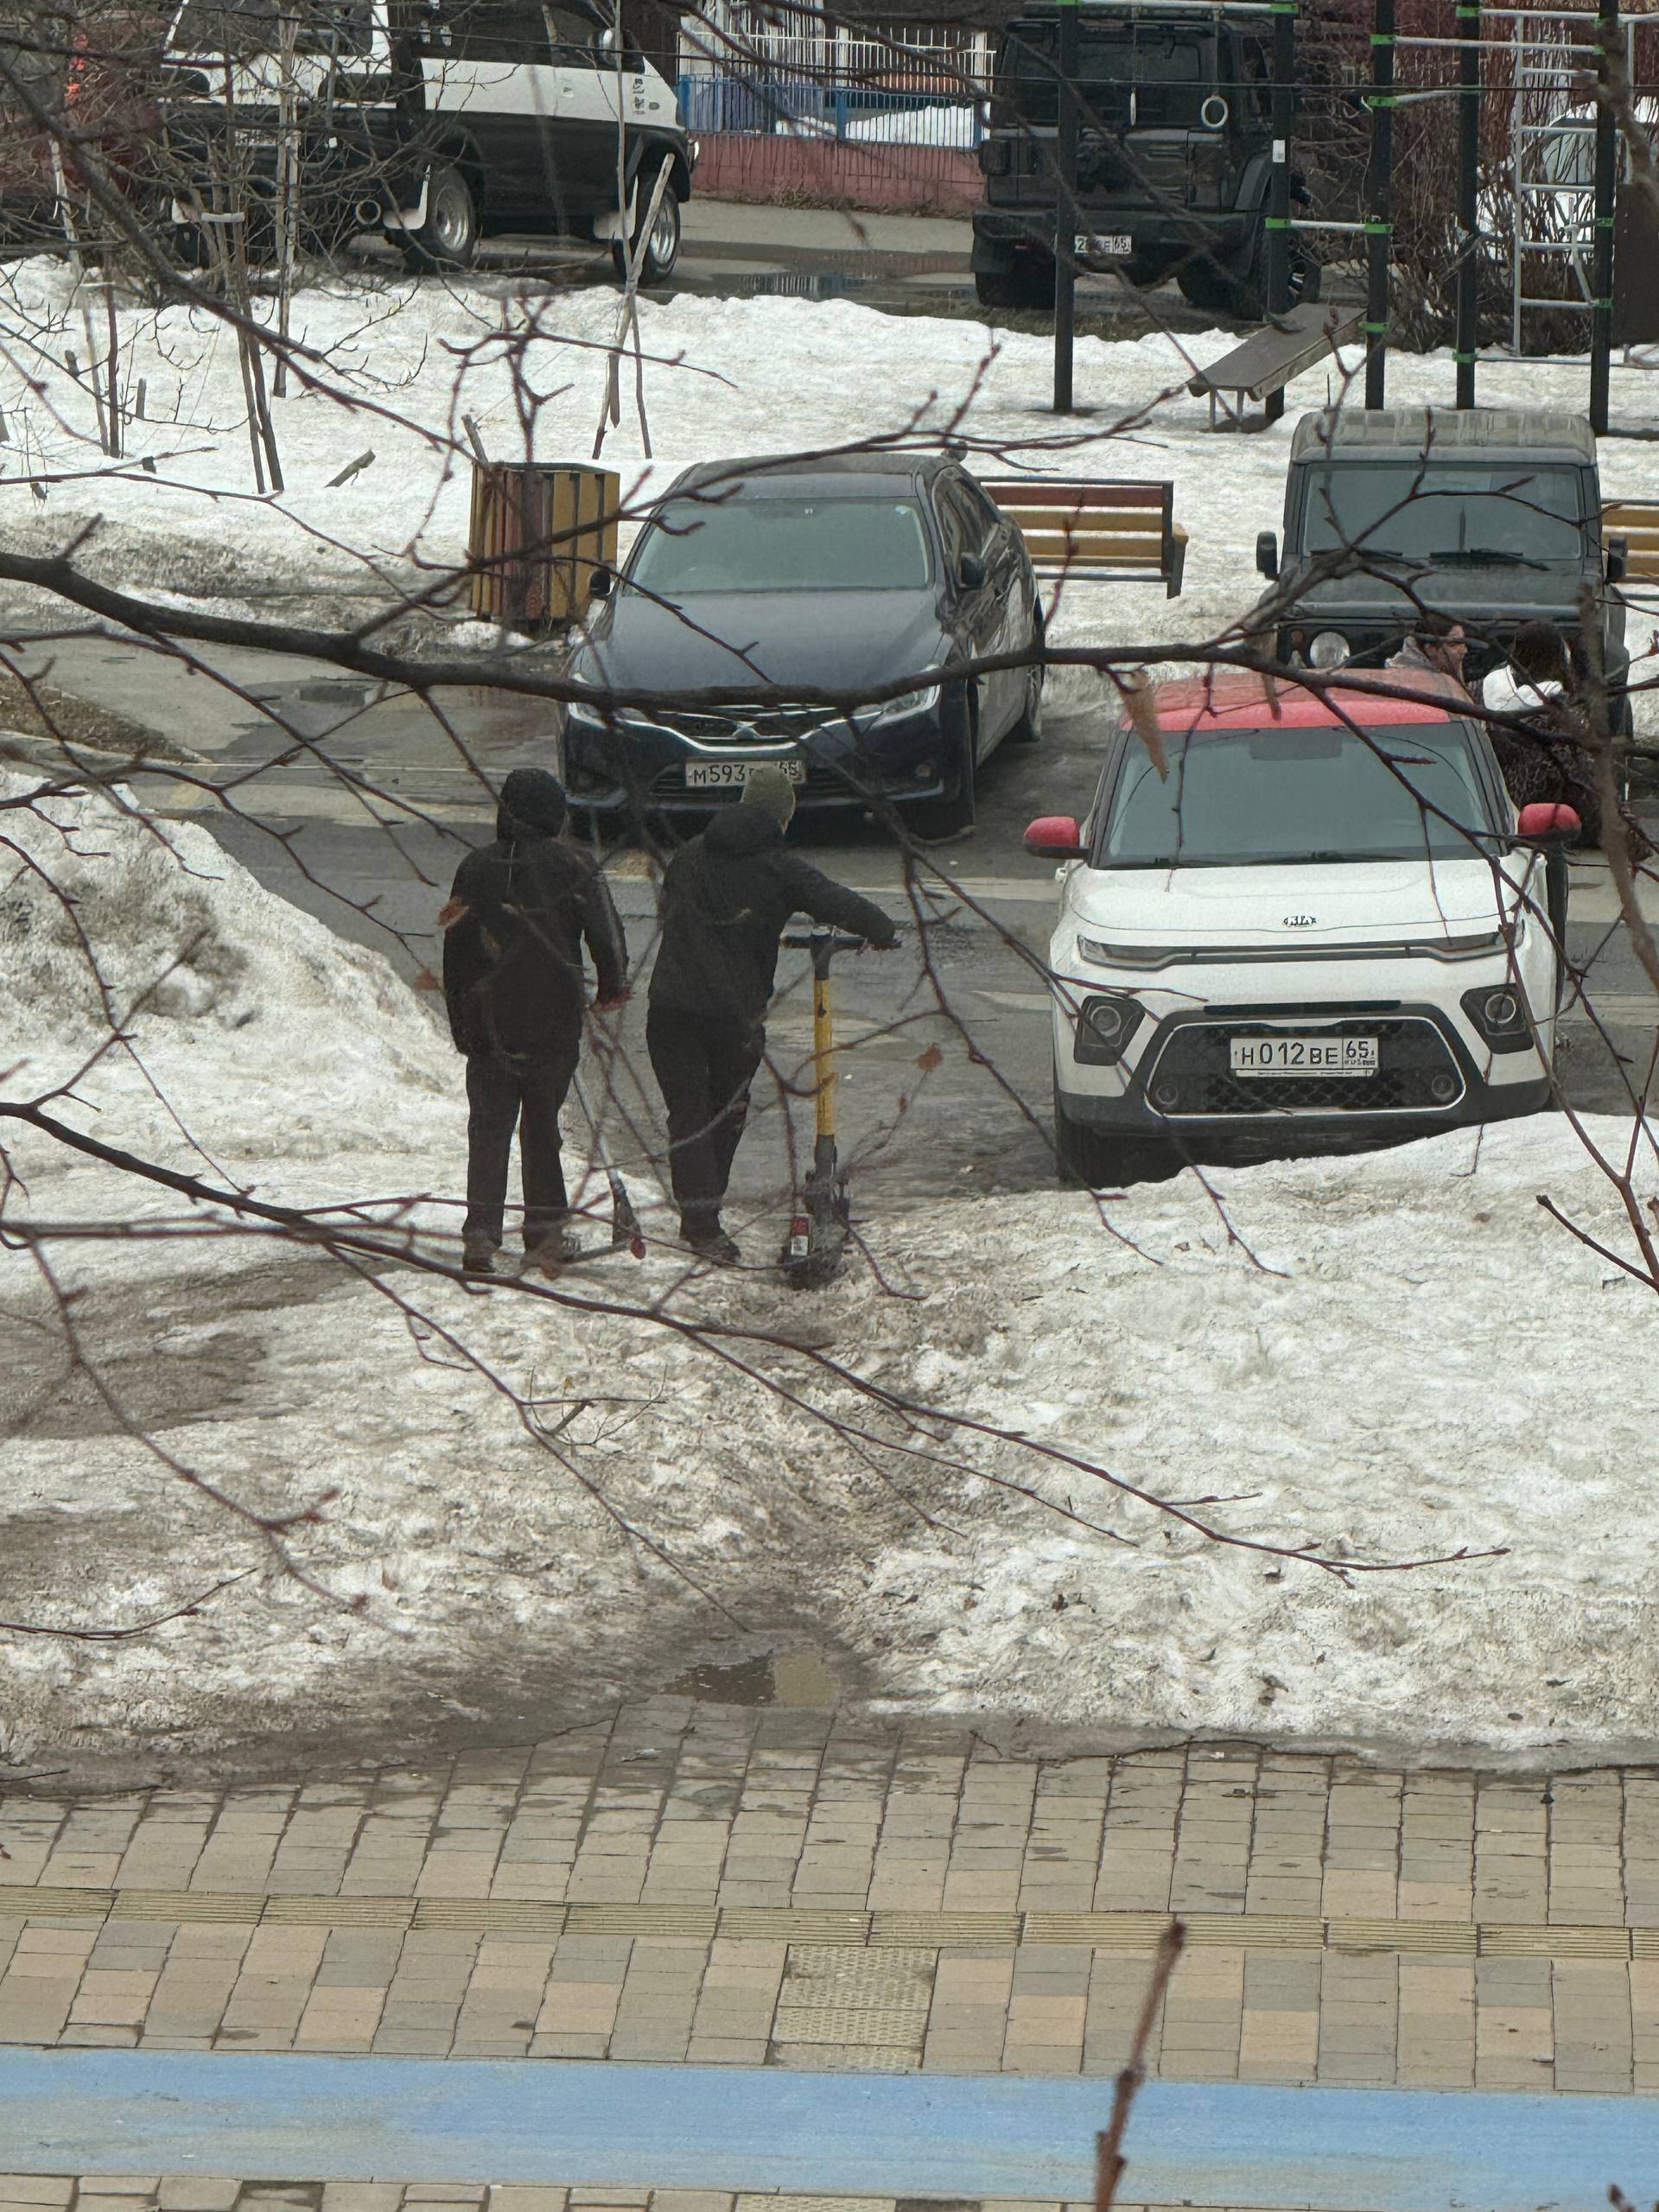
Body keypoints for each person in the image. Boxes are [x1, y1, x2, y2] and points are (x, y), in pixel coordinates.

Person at [647, 766, 899, 1266]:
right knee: (725, 1112)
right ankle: (702, 1223)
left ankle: (699, 1216)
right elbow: (836, 901)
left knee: (688, 1114)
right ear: (784, 818)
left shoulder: (691, 854)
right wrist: (882, 930)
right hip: (732, 1020)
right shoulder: (778, 867)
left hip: (670, 1008)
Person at [442, 767, 629, 1277]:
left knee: (489, 1127)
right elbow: (606, 936)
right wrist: (612, 986)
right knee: (542, 1125)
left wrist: (460, 1020)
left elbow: (455, 948)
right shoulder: (575, 865)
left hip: (488, 1019)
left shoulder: (474, 868)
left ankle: (480, 1235)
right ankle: (543, 1236)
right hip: (552, 1017)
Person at [1480, 620, 1600, 840]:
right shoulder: (1559, 709)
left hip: (1489, 799)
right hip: (1541, 811)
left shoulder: (1484, 689)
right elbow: (1579, 769)